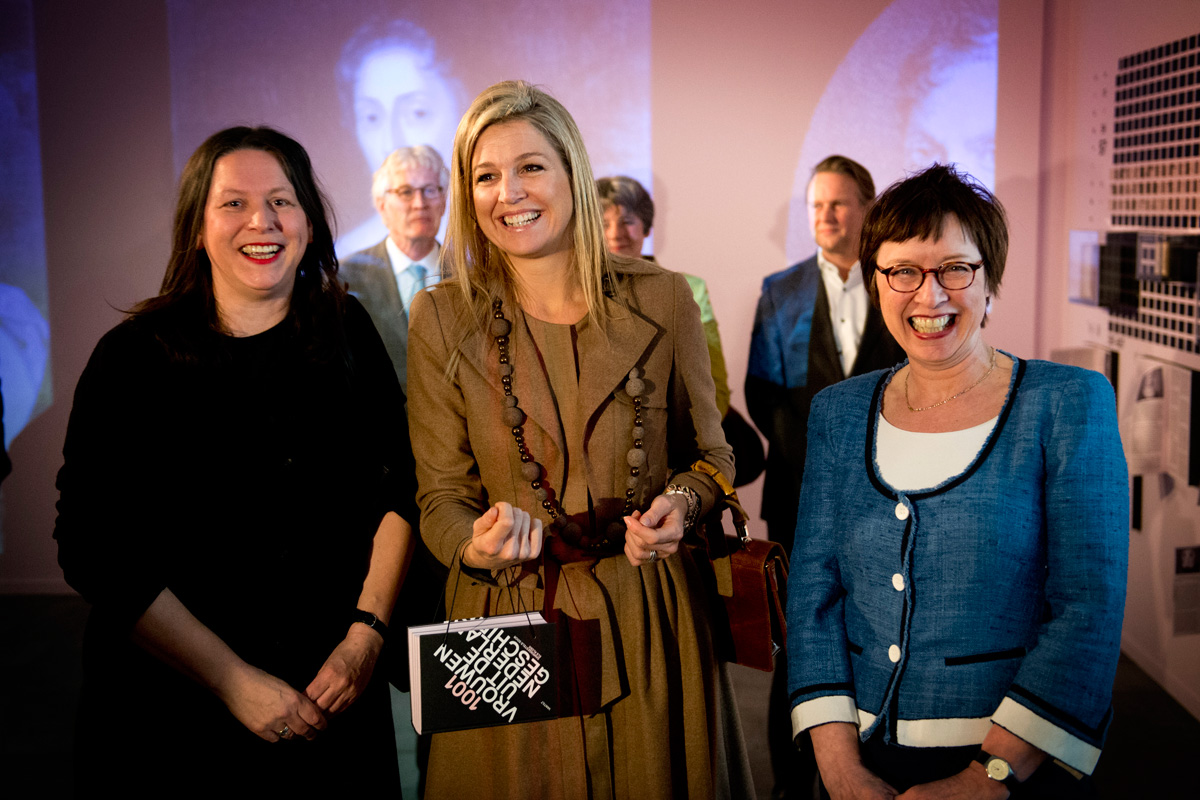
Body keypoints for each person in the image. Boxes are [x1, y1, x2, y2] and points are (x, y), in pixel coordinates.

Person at [407, 80, 754, 799]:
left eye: (530, 167)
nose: (509, 193)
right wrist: (474, 545)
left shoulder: (664, 296)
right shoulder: (439, 317)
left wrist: (682, 506)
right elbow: (439, 497)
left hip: (651, 610)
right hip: (507, 618)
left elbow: (712, 454)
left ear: (573, 173)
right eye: (485, 176)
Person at [54, 126, 417, 794]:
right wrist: (231, 681)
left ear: (309, 221)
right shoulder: (131, 357)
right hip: (169, 721)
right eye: (234, 204)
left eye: (281, 201)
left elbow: (399, 488)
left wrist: (365, 637)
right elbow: (91, 546)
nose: (262, 221)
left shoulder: (349, 331)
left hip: (334, 703)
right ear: (197, 227)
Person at [787, 164, 1128, 799]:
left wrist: (988, 778)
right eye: (903, 271)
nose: (929, 295)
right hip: (859, 759)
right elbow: (814, 598)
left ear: (989, 280)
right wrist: (839, 769)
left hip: (1012, 765)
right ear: (877, 281)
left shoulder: (1067, 402)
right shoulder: (838, 411)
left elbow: (1088, 609)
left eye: (954, 269)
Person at [747, 155, 904, 799]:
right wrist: (809, 458)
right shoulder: (779, 289)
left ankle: (875, 764)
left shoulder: (897, 282)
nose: (825, 216)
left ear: (866, 208)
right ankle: (793, 781)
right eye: (816, 205)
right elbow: (761, 393)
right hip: (796, 492)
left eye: (838, 204)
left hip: (890, 493)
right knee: (797, 636)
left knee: (880, 626)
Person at [335, 19, 464, 256]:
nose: (392, 143)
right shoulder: (344, 260)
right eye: (372, 117)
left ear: (463, 113)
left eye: (417, 113)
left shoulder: (499, 250)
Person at [342, 145, 447, 394]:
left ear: (444, 201)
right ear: (381, 205)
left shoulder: (473, 275)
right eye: (406, 192)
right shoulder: (346, 278)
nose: (420, 203)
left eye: (430, 190)